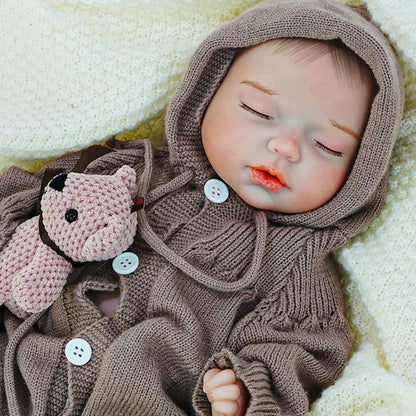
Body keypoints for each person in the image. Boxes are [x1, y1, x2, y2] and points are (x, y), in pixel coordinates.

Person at [0, 0, 403, 415]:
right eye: (258, 111)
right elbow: (33, 195)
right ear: (206, 95)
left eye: (327, 146)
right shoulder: (137, 168)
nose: (286, 147)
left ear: (360, 173)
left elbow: (302, 353)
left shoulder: (296, 266)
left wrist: (246, 388)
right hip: (18, 356)